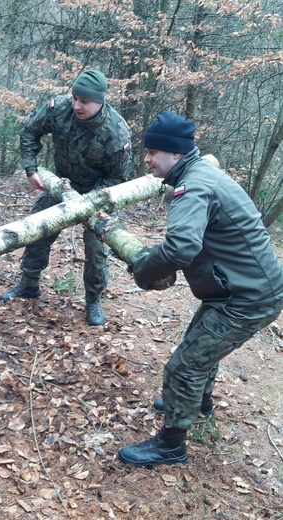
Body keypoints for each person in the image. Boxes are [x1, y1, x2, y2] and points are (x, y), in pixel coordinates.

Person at [118, 111, 283, 467]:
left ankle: (171, 445)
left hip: (248, 297)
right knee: (199, 346)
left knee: (184, 367)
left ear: (175, 154)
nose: (146, 159)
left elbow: (180, 248)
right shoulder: (199, 173)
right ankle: (199, 403)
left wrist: (144, 269)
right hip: (239, 288)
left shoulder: (193, 185)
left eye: (153, 151)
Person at [0, 70, 136, 326]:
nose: (76, 105)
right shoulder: (59, 108)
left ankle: (93, 299)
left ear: (100, 101)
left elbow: (119, 179)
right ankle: (29, 284)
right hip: (61, 184)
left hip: (98, 193)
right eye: (74, 98)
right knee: (37, 229)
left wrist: (90, 201)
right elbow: (30, 131)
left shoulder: (116, 132)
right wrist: (31, 168)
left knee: (96, 248)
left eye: (84, 101)